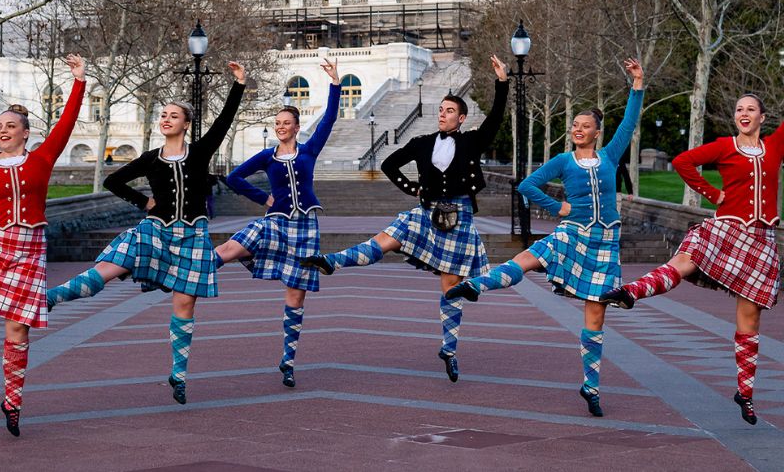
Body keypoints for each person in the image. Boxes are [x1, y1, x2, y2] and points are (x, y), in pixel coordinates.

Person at [446, 59, 645, 417]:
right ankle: (476, 286)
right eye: (575, 125)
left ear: (597, 132)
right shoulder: (563, 160)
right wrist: (559, 208)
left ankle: (591, 386)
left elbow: (629, 125)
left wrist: (637, 85)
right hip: (571, 233)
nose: (578, 129)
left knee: (596, 316)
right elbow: (526, 186)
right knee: (530, 258)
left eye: (585, 126)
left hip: (604, 243)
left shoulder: (610, 156)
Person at [46, 62, 246, 405]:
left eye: (173, 115)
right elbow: (112, 180)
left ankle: (179, 376)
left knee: (184, 304)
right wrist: (143, 202)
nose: (166, 119)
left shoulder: (199, 152)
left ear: (186, 123)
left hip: (193, 236)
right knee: (108, 269)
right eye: (163, 115)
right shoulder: (151, 158)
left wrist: (239, 84)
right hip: (153, 231)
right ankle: (50, 298)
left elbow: (224, 121)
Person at [301, 55, 509, 382]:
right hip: (427, 212)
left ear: (462, 118)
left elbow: (496, 118)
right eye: (441, 109)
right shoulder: (422, 143)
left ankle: (449, 349)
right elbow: (389, 165)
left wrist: (502, 83)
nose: (443, 114)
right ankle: (332, 261)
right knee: (383, 242)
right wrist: (412, 187)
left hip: (458, 217)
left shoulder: (471, 140)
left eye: (450, 110)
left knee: (450, 287)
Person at [601, 93, 782, 426]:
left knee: (750, 317)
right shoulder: (725, 146)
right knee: (685, 262)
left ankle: (745, 393)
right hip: (726, 229)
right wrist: (714, 195)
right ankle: (629, 293)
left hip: (761, 239)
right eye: (739, 108)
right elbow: (683, 161)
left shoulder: (775, 146)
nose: (743, 113)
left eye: (750, 109)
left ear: (763, 116)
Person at [213, 58, 340, 388]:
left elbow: (329, 120)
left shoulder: (309, 150)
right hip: (274, 223)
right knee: (229, 248)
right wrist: (263, 199)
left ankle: (288, 360)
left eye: (287, 122)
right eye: (278, 122)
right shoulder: (267, 156)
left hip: (305, 228)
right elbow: (233, 177)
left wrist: (335, 84)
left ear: (297, 127)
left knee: (296, 296)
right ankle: (190, 272)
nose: (281, 126)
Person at [0, 54, 86, 436]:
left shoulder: (42, 157)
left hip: (28, 250)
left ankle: (12, 400)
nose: (3, 131)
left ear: (25, 132)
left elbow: (66, 123)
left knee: (18, 331)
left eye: (10, 126)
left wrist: (78, 82)